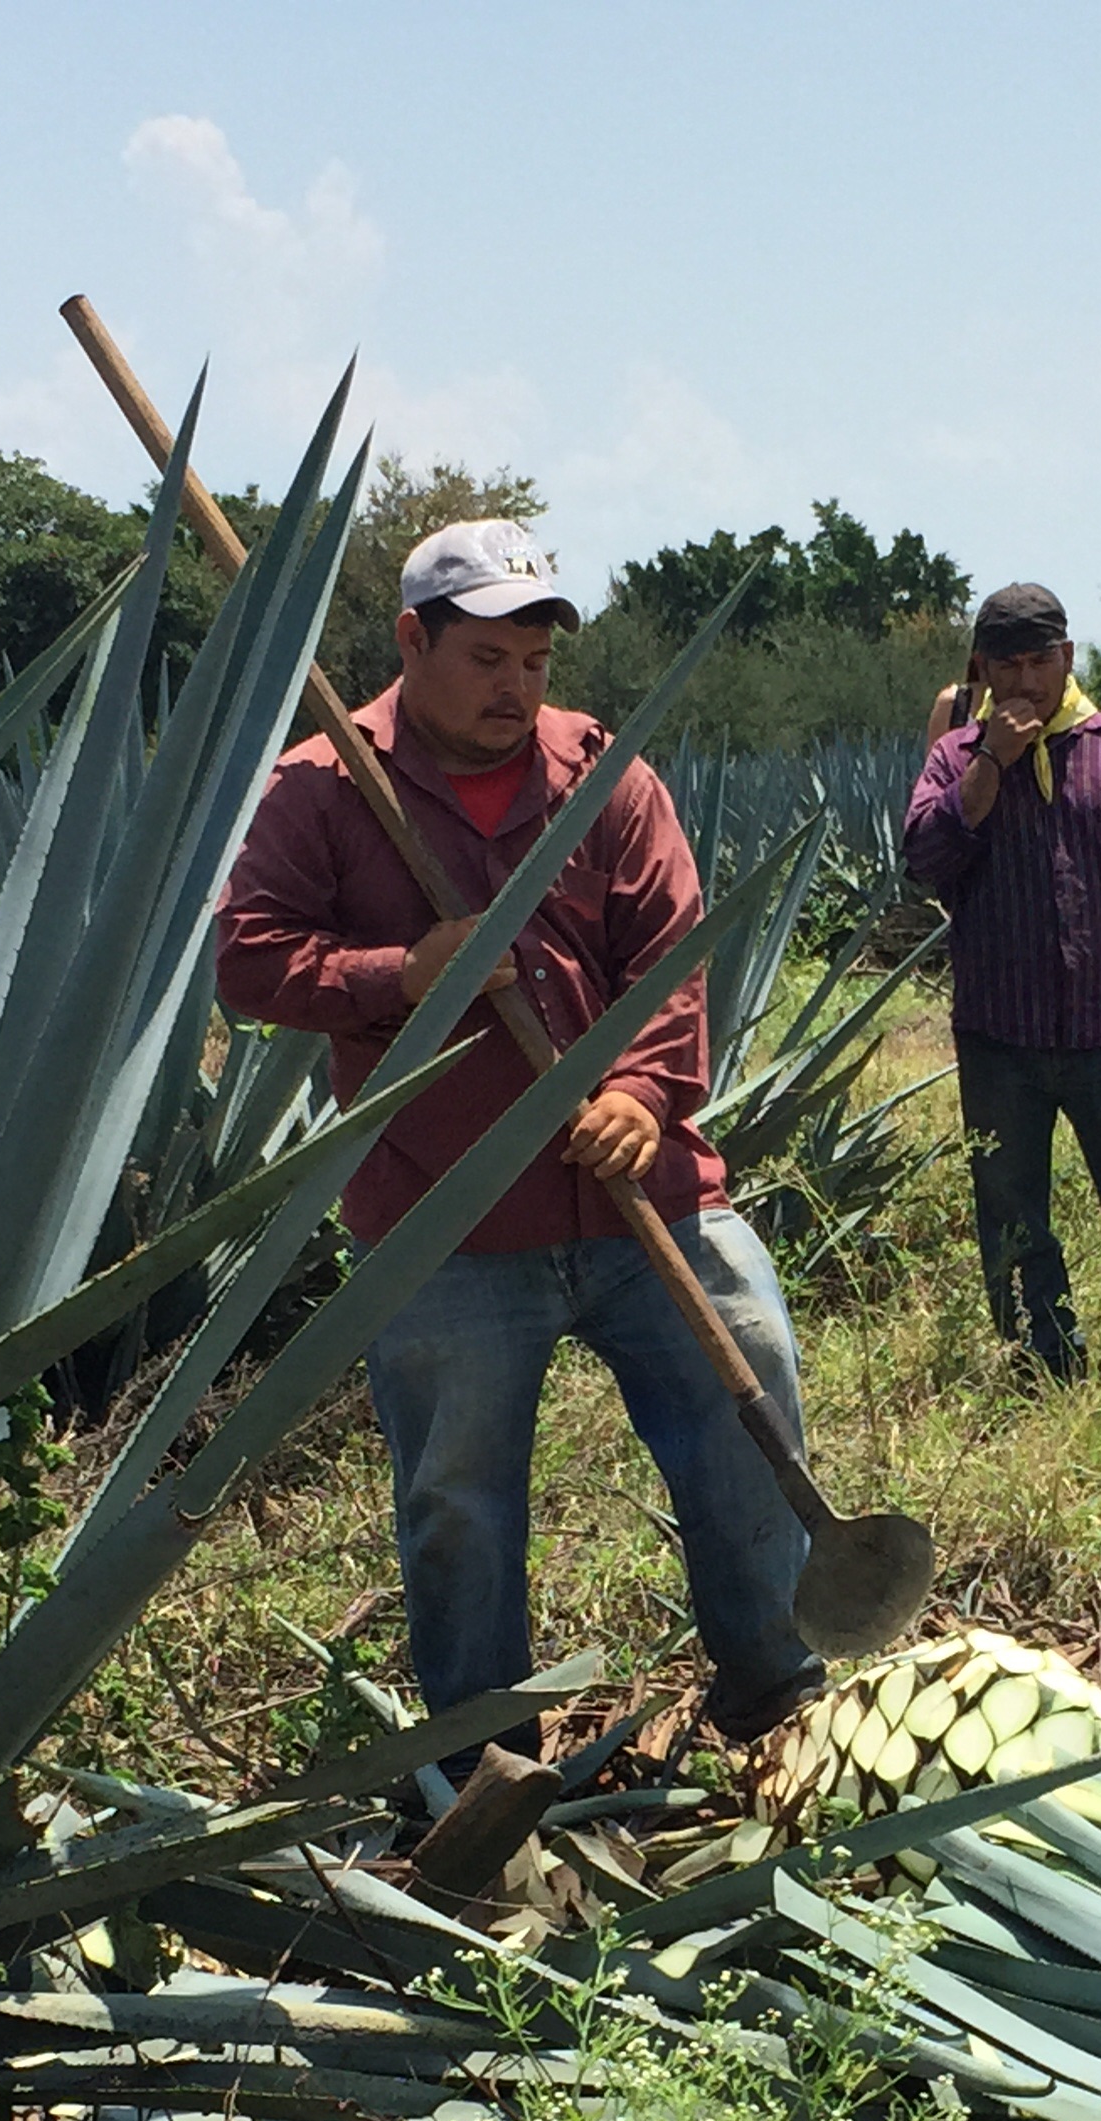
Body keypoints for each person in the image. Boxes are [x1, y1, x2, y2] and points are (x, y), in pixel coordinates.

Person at [216, 519, 823, 1748]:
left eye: (535, 662)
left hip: (642, 1194)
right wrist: (404, 971)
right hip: (447, 1215)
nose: (517, 688)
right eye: (488, 659)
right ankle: (487, 1759)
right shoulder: (326, 786)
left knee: (749, 1409)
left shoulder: (606, 780)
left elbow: (671, 957)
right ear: (412, 642)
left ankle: (776, 1695)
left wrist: (642, 1092)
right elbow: (249, 960)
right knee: (460, 1501)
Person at [903, 581, 1101, 1382]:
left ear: (1067, 657)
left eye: (1041, 661)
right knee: (1012, 1216)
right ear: (982, 669)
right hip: (999, 1038)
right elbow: (924, 861)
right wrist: (991, 765)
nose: (1027, 682)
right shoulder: (953, 759)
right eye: (1008, 666)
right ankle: (1043, 1367)